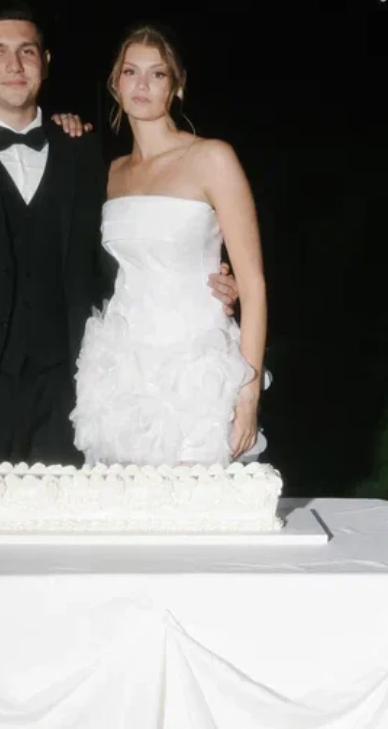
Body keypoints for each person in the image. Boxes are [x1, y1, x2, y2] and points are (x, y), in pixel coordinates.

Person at [0, 0, 239, 487]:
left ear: (45, 62)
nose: (14, 65)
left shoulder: (83, 150)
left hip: (67, 397)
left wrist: (207, 282)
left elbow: (120, 254)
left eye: (27, 51)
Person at [71, 23, 268, 466]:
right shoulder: (113, 173)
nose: (141, 84)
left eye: (157, 74)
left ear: (176, 86)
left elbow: (253, 285)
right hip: (121, 367)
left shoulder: (212, 158)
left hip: (195, 365)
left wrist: (248, 391)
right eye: (131, 72)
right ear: (115, 83)